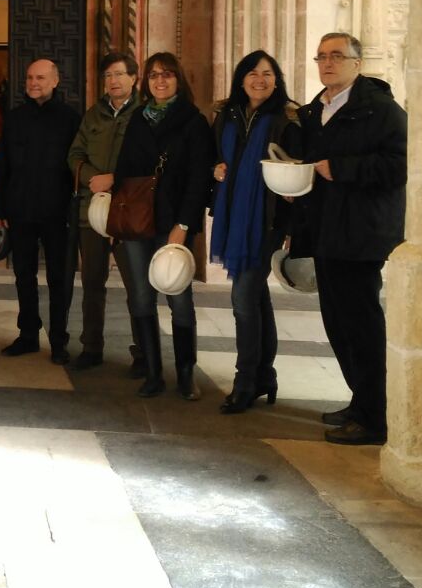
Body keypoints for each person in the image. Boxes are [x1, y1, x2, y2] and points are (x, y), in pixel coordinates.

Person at [295, 32, 407, 445]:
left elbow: (400, 166)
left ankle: (375, 419)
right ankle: (361, 401)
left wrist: (341, 168)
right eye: (322, 56)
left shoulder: (381, 110)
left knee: (362, 327)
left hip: (362, 233)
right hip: (327, 230)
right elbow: (316, 165)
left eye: (337, 56)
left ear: (357, 64)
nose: (327, 63)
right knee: (338, 324)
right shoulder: (316, 110)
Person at [114, 51, 214, 400]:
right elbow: (125, 171)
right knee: (141, 296)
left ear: (178, 79)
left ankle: (186, 374)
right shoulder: (138, 119)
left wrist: (184, 224)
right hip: (139, 222)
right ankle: (154, 373)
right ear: (146, 82)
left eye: (167, 74)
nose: (160, 80)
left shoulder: (193, 121)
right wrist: (120, 218)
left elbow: (198, 178)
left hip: (174, 222)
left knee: (178, 296)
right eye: (154, 75)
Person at [209, 51, 301, 413]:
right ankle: (264, 375)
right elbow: (215, 155)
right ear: (241, 78)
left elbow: (299, 169)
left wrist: (293, 221)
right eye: (252, 73)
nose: (259, 80)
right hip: (235, 215)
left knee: (243, 299)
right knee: (256, 296)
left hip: (268, 220)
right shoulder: (227, 115)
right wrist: (216, 168)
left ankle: (245, 381)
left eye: (267, 74)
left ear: (277, 80)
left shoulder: (287, 119)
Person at [0, 58, 81, 361]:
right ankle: (28, 334)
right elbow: (2, 166)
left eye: (40, 78)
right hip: (20, 210)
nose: (33, 83)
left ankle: (58, 340)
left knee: (58, 278)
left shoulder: (70, 118)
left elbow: (76, 166)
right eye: (29, 78)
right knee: (23, 275)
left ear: (55, 81)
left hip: (57, 212)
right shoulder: (15, 118)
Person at [66, 51, 144, 370]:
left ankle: (143, 352)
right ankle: (91, 347)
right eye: (108, 75)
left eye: (119, 74)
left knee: (136, 286)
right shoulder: (93, 115)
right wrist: (91, 178)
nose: (113, 81)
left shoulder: (144, 114)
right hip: (93, 212)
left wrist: (115, 178)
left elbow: (150, 161)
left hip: (130, 212)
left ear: (133, 78)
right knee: (92, 283)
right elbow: (74, 155)